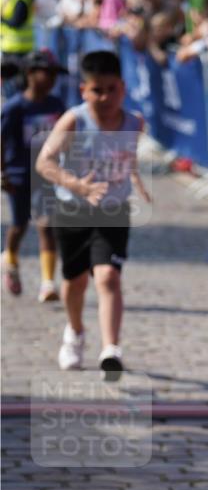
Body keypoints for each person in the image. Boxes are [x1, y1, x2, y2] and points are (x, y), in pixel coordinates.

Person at [35, 50, 150, 379]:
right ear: (84, 90)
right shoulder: (74, 121)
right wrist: (77, 185)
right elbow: (44, 162)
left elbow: (126, 156)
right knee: (75, 282)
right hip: (72, 210)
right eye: (97, 90)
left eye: (112, 89)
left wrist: (136, 180)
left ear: (123, 88)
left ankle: (111, 349)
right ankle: (75, 332)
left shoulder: (135, 123)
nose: (105, 97)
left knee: (108, 276)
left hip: (113, 211)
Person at [1, 49, 65, 299]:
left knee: (46, 225)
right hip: (19, 174)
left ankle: (48, 283)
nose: (51, 79)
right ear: (30, 73)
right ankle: (10, 260)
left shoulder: (56, 105)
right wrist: (2, 173)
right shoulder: (15, 107)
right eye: (46, 73)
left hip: (46, 175)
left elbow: (67, 136)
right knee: (19, 225)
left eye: (54, 74)